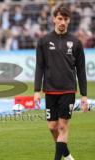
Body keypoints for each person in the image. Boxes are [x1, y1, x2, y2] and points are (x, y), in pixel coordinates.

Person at [34, 6, 88, 160]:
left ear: (69, 21)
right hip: (49, 90)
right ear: (54, 19)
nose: (62, 22)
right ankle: (68, 156)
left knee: (63, 126)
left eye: (65, 19)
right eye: (59, 19)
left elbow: (81, 70)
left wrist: (84, 95)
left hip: (68, 90)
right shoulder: (43, 41)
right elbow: (40, 66)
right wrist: (37, 90)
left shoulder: (76, 42)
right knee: (52, 127)